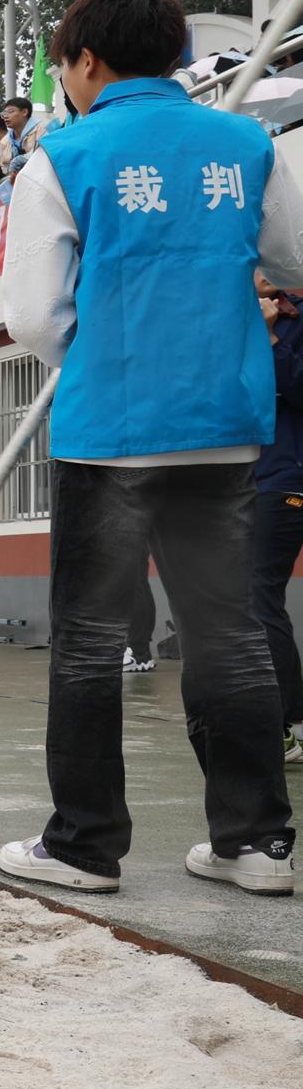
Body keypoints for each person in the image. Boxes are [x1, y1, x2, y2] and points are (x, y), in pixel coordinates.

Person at [0, 0, 303, 896]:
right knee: (229, 632)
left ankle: (84, 846)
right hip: (223, 431)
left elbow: (33, 319)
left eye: (65, 67)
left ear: (87, 61)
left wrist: (103, 355)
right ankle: (255, 843)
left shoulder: (61, 158)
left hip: (111, 434)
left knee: (92, 639)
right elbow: (293, 260)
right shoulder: (246, 145)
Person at [252, 275, 303, 762]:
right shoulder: (227, 320)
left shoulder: (296, 320)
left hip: (285, 481)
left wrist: (270, 338)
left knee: (258, 595)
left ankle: (285, 726)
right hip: (237, 479)